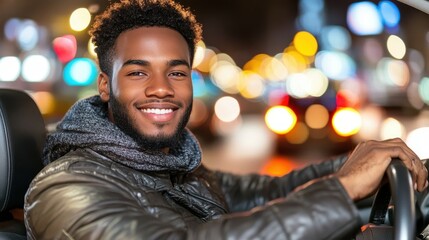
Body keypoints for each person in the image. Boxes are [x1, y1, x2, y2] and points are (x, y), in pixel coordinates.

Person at [24, 0, 428, 239]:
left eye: (177, 72)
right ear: (105, 86)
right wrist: (342, 189)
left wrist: (361, 165)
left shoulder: (176, 166)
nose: (162, 88)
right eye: (138, 72)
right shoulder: (66, 186)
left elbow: (267, 193)